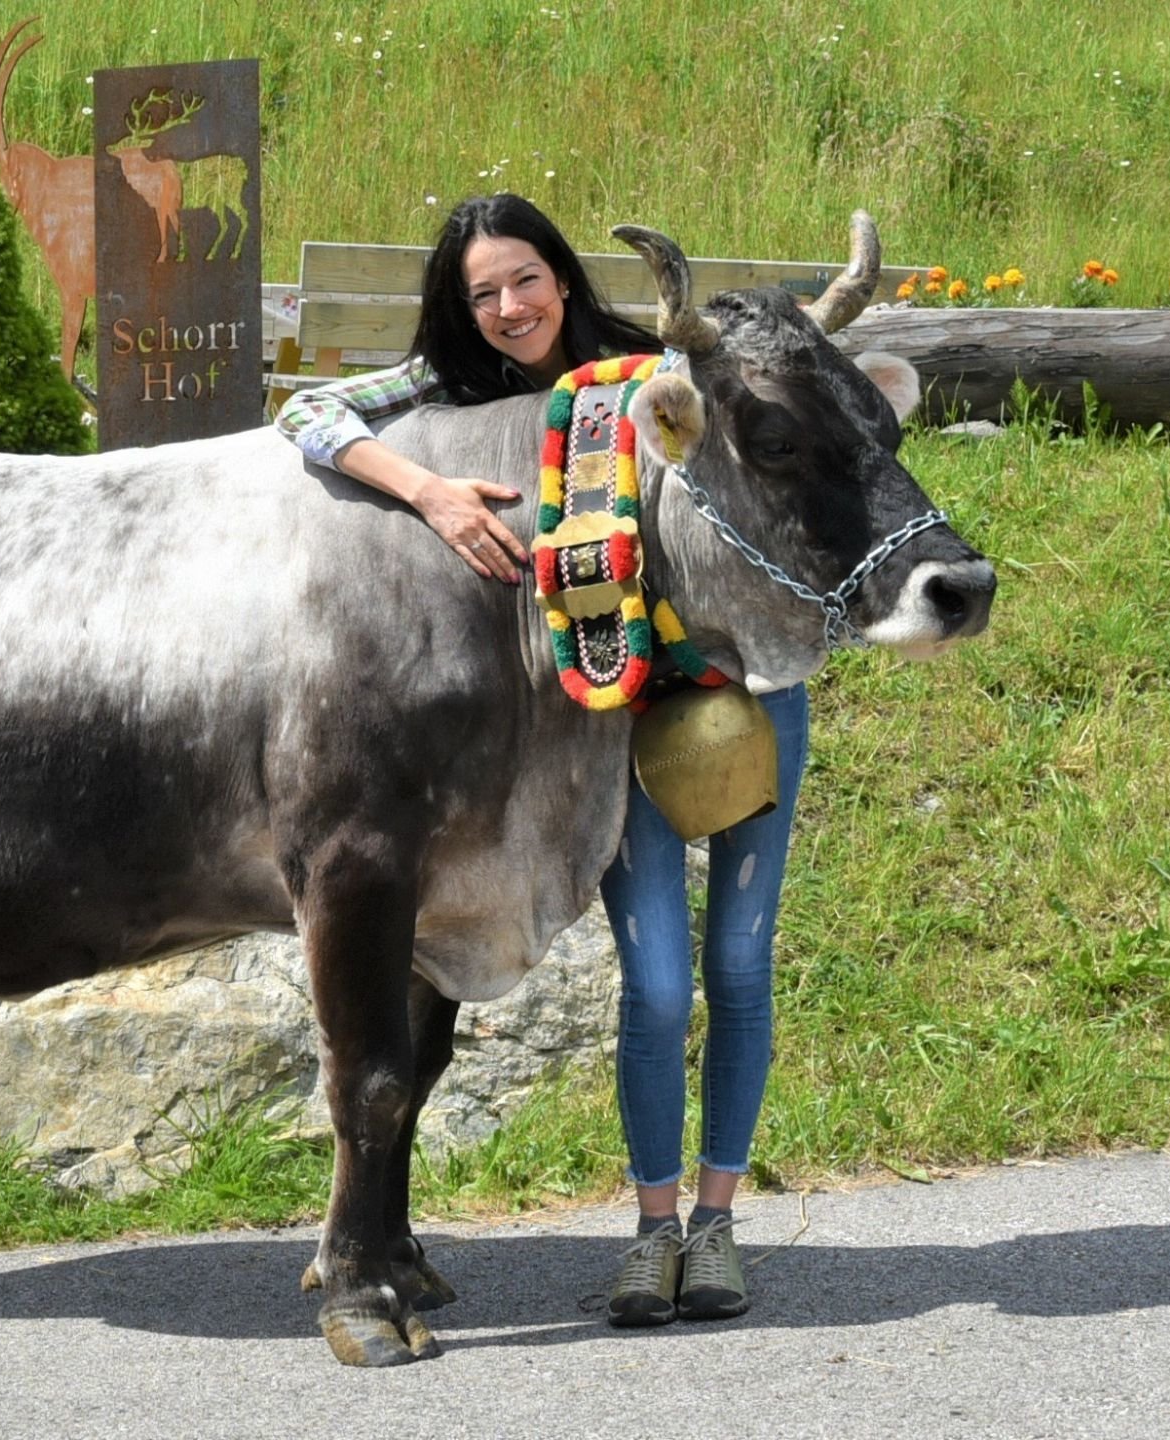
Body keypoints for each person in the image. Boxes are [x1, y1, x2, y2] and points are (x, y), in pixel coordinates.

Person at [275, 193, 809, 1327]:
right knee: (659, 982)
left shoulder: (649, 370)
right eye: (482, 293)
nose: (508, 307)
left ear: (561, 276)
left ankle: (713, 1229)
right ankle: (651, 1229)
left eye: (524, 278)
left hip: (729, 689)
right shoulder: (450, 392)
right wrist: (423, 486)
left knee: (744, 966)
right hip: (599, 715)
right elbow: (312, 412)